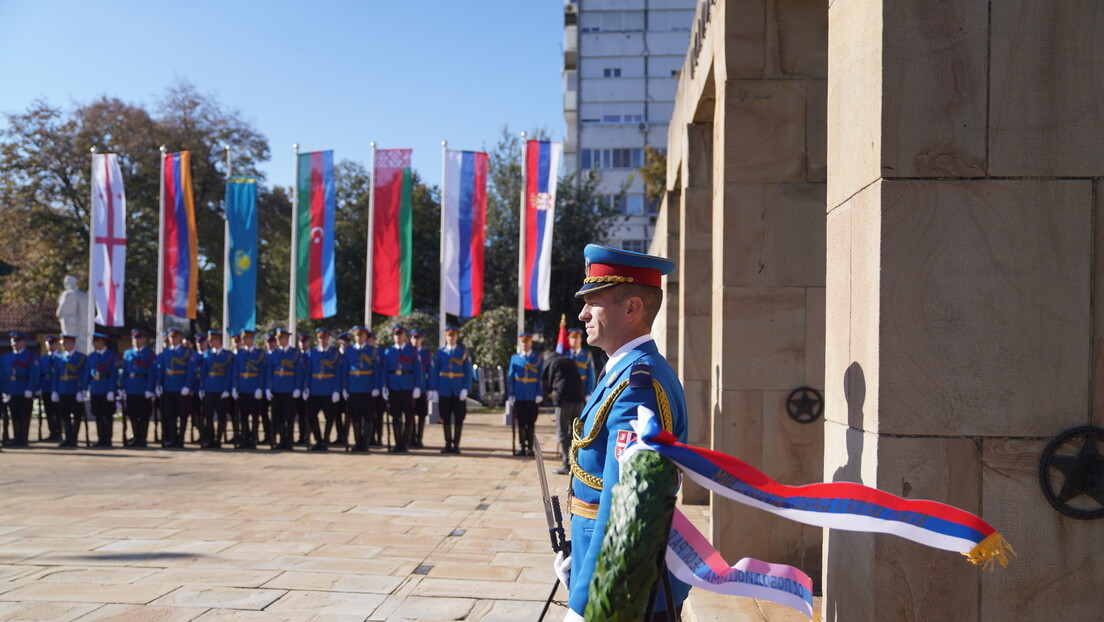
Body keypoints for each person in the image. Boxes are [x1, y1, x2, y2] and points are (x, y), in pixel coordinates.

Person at [556, 244, 689, 622]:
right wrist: (579, 556)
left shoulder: (637, 384)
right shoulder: (624, 371)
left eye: (593, 303)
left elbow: (625, 507)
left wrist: (586, 601)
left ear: (632, 309)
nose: (582, 314)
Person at [541, 346, 586, 474]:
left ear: (546, 356)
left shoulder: (551, 361)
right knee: (575, 432)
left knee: (561, 431)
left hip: (564, 400)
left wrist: (548, 393)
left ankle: (566, 464)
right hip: (579, 399)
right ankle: (576, 463)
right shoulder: (569, 360)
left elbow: (546, 380)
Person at [382, 325, 424, 453]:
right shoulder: (389, 351)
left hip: (407, 385)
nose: (398, 337)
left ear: (405, 336)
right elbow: (384, 370)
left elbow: (418, 370)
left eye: (400, 335)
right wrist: (384, 386)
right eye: (396, 335)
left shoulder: (412, 351)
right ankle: (397, 442)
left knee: (408, 415)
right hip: (393, 386)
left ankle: (405, 442)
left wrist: (417, 386)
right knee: (395, 415)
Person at [431, 326, 472, 454]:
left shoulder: (463, 352)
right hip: (444, 389)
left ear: (456, 337)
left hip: (458, 389)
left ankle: (456, 444)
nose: (451, 338)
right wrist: (435, 389)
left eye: (453, 335)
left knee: (459, 417)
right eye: (449, 335)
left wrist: (465, 388)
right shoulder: (440, 353)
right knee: (445, 417)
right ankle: (448, 443)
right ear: (445, 337)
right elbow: (435, 371)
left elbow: (468, 372)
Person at [343, 326, 381, 453]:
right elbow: (345, 370)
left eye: (362, 335)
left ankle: (366, 442)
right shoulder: (349, 351)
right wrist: (344, 387)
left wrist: (376, 387)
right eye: (357, 335)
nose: (359, 337)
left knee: (368, 416)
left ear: (366, 337)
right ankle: (358, 441)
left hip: (367, 388)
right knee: (356, 417)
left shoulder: (372, 351)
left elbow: (376, 371)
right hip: (353, 388)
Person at [157, 328, 195, 449]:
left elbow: (190, 371)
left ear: (180, 338)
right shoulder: (165, 353)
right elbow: (161, 371)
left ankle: (181, 439)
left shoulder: (187, 352)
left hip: (181, 388)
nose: (172, 340)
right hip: (168, 388)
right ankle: (172, 438)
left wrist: (187, 386)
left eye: (175, 337)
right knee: (170, 415)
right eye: (170, 337)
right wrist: (159, 385)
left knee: (183, 414)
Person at [305, 328, 342, 451]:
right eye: (320, 338)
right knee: (312, 416)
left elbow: (338, 373)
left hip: (329, 389)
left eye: (325, 337)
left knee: (330, 417)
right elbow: (308, 372)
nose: (322, 340)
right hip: (315, 389)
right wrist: (306, 387)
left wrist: (336, 390)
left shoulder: (334, 353)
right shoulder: (312, 353)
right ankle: (318, 439)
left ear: (328, 339)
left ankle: (325, 440)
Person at [266, 328, 303, 450]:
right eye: (277, 338)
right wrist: (267, 388)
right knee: (278, 417)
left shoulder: (295, 353)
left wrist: (297, 388)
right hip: (277, 389)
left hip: (289, 389)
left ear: (287, 339)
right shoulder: (274, 354)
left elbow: (299, 372)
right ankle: (281, 439)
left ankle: (289, 440)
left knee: (289, 416)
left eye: (280, 338)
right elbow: (270, 372)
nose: (278, 340)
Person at [507, 333, 543, 456]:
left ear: (530, 343)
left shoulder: (537, 357)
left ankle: (530, 447)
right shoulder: (515, 358)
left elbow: (540, 377)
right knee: (521, 421)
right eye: (522, 342)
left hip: (532, 395)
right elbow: (510, 377)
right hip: (519, 394)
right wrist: (510, 394)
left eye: (526, 342)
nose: (524, 344)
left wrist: (539, 393)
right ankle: (522, 446)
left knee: (531, 421)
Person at [2, 331, 40, 447]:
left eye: (17, 341)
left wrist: (30, 388)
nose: (15, 343)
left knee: (24, 414)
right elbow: (3, 375)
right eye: (13, 341)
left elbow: (34, 373)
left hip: (24, 389)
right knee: (14, 414)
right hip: (11, 389)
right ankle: (16, 437)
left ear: (24, 342)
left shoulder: (30, 355)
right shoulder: (6, 357)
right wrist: (5, 390)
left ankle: (24, 437)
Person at [233, 329, 268, 449]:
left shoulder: (259, 354)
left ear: (251, 339)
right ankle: (245, 438)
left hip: (254, 389)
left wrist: (259, 388)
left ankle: (253, 438)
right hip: (242, 389)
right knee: (243, 416)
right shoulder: (240, 354)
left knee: (254, 416)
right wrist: (234, 387)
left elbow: (262, 373)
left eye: (245, 338)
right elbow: (235, 372)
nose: (243, 341)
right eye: (243, 338)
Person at [198, 330, 233, 449]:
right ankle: (210, 438)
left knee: (221, 416)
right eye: (210, 339)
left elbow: (229, 374)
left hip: (221, 389)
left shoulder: (227, 355)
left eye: (213, 339)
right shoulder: (207, 354)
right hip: (209, 388)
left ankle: (218, 439)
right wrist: (201, 388)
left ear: (219, 340)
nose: (210, 342)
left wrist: (226, 389)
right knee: (208, 415)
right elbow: (204, 372)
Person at [121, 329, 156, 447]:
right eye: (134, 338)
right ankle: (136, 436)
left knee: (144, 414)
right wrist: (123, 388)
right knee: (132, 414)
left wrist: (149, 389)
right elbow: (124, 373)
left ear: (144, 340)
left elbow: (152, 373)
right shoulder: (127, 353)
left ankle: (143, 438)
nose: (135, 341)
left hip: (143, 387)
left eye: (138, 338)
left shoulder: (149, 354)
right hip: (131, 387)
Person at [51, 334, 87, 448]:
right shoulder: (59, 357)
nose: (64, 345)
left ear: (72, 343)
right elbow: (56, 375)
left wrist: (82, 390)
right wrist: (54, 390)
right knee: (64, 415)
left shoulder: (80, 357)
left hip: (74, 390)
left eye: (66, 343)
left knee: (76, 415)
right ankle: (67, 438)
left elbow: (83, 375)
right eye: (63, 343)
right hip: (62, 390)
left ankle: (73, 438)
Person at [86, 333, 118, 448]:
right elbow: (87, 374)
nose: (94, 344)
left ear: (102, 342)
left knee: (107, 415)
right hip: (95, 388)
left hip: (106, 388)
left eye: (96, 341)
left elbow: (114, 374)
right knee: (98, 414)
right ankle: (100, 438)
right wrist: (85, 388)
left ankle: (107, 438)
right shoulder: (91, 356)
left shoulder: (111, 355)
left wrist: (111, 390)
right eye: (93, 341)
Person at [409, 329, 433, 449]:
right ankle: (411, 437)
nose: (415, 340)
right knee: (410, 413)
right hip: (409, 386)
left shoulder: (426, 354)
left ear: (421, 340)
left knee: (422, 413)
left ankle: (419, 438)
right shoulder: (407, 352)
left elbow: (430, 371)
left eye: (418, 338)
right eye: (413, 338)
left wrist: (430, 388)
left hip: (423, 387)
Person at [38, 335, 61, 442]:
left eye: (52, 344)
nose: (50, 346)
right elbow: (38, 374)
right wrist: (38, 387)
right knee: (49, 412)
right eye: (48, 344)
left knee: (58, 411)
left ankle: (59, 432)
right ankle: (52, 431)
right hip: (46, 387)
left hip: (57, 388)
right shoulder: (43, 359)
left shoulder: (61, 357)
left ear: (56, 345)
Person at [567, 328, 596, 400]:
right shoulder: (564, 354)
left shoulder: (587, 355)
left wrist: (589, 392)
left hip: (582, 391)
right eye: (572, 338)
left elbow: (591, 375)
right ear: (569, 340)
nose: (574, 340)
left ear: (580, 340)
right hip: (566, 392)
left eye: (577, 338)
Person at [295, 333, 313, 445]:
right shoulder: (296, 356)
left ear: (309, 342)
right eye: (301, 341)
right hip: (298, 389)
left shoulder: (313, 354)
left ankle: (308, 436)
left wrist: (308, 387)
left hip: (310, 389)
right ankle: (301, 436)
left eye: (304, 341)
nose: (302, 344)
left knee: (309, 415)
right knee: (300, 415)